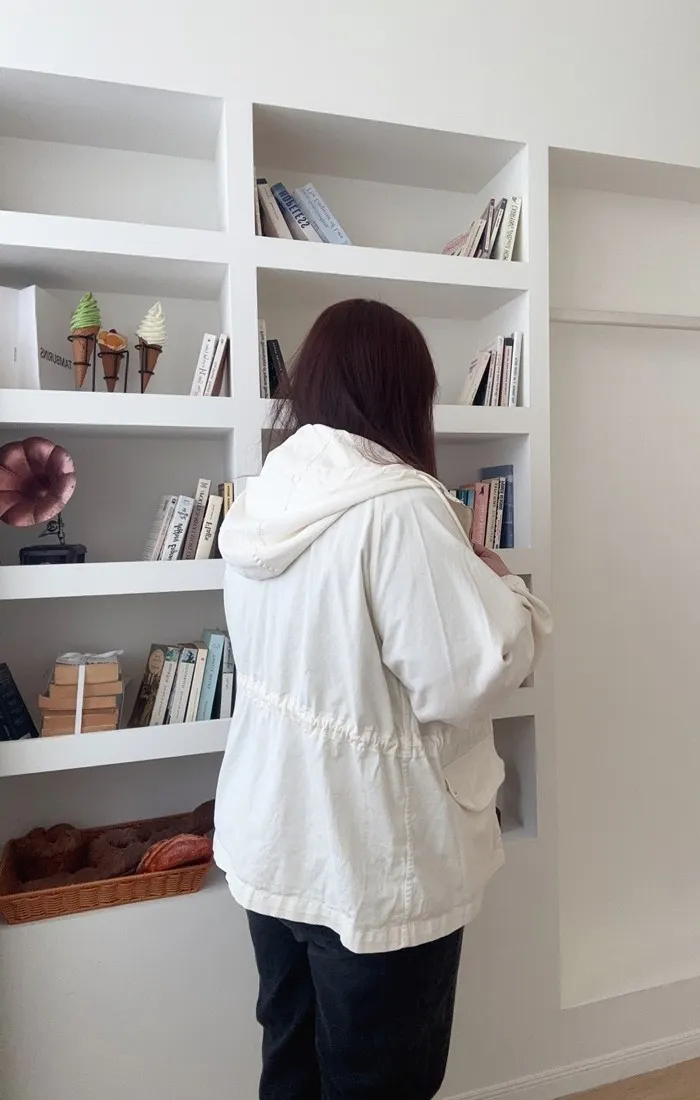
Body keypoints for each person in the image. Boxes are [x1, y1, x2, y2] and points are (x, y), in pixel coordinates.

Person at [214, 299, 551, 1100]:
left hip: (274, 838)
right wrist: (510, 593)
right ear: (404, 393)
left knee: (291, 1066)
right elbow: (466, 676)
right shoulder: (398, 508)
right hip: (371, 854)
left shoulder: (262, 499)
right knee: (381, 1083)